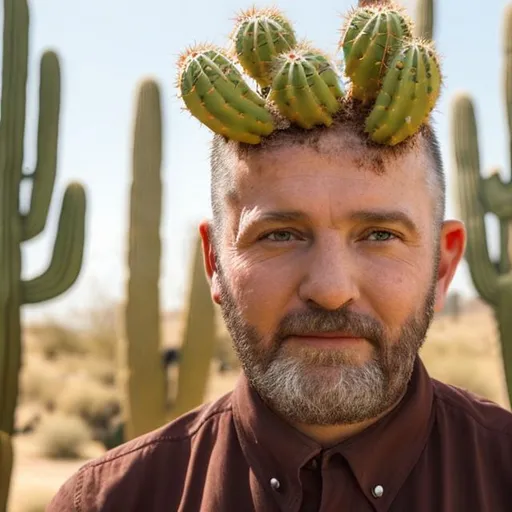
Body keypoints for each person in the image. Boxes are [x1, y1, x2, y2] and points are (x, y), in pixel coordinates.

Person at [48, 5, 512, 511]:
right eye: (281, 235)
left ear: (443, 268)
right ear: (215, 262)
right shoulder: (109, 501)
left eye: (379, 234)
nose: (331, 290)